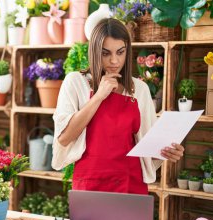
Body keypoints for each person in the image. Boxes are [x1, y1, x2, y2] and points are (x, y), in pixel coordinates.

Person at [52, 18, 184, 195]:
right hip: (90, 184)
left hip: (130, 183)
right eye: (106, 53)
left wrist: (168, 151)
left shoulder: (140, 89)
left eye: (120, 52)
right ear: (94, 52)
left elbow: (148, 145)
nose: (114, 61)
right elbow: (64, 138)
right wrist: (99, 96)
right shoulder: (76, 82)